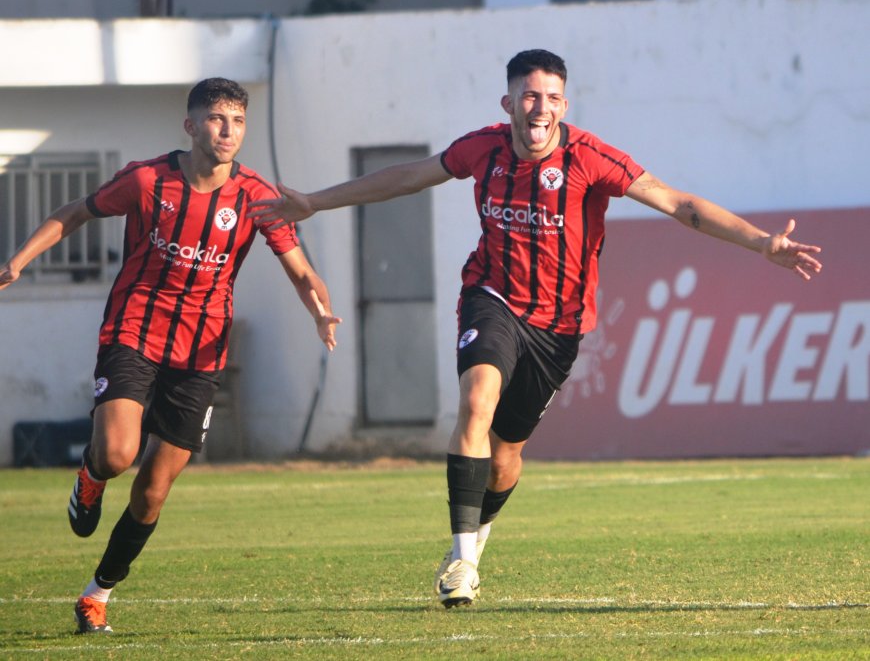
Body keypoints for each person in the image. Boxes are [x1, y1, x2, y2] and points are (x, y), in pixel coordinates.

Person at [248, 49, 822, 608]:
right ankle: (460, 560)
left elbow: (679, 203)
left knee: (505, 457)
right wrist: (316, 203)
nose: (539, 108)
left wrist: (761, 242)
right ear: (509, 103)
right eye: (529, 95)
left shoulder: (592, 158)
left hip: (560, 326)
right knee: (476, 401)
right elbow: (408, 178)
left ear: (564, 106)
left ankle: (475, 545)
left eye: (550, 97)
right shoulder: (482, 149)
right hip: (492, 297)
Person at [0, 77, 341, 633]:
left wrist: (319, 310)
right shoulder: (146, 179)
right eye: (216, 119)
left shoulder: (256, 196)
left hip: (201, 354)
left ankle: (97, 594)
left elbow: (301, 271)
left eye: (237, 121)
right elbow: (76, 211)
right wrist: (19, 261)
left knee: (154, 489)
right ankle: (90, 477)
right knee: (115, 455)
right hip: (133, 330)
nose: (228, 131)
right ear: (190, 125)